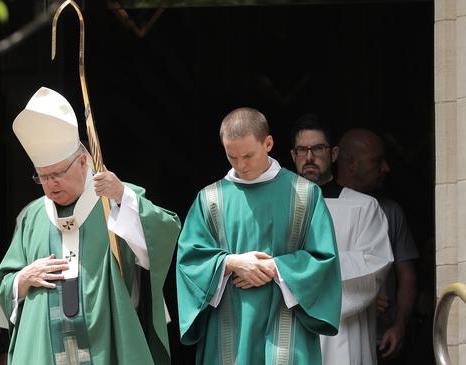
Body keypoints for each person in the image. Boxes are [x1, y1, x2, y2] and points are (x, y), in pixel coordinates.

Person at [0, 87, 181, 365]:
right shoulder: (31, 217)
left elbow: (162, 236)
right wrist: (23, 278)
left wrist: (122, 197)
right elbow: (5, 287)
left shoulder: (114, 199)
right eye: (42, 177)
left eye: (57, 174)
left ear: (83, 161)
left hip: (107, 344)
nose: (50, 184)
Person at [176, 107, 342, 364]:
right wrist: (231, 263)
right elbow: (189, 262)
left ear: (268, 143)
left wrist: (276, 267)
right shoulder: (210, 199)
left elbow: (324, 260)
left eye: (248, 155)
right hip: (228, 330)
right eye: (232, 156)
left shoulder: (305, 195)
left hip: (287, 329)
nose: (241, 165)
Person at [290, 114, 393, 365]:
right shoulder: (278, 209)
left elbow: (373, 265)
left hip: (345, 334)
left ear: (334, 153)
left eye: (318, 148)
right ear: (293, 156)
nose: (310, 157)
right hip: (292, 334)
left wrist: (299, 270)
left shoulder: (365, 208)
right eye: (303, 150)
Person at [336, 128, 419, 364]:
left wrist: (400, 325)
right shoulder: (318, 207)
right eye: (377, 161)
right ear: (351, 163)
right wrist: (364, 291)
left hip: (383, 340)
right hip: (339, 339)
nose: (386, 168)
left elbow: (407, 274)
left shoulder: (391, 211)